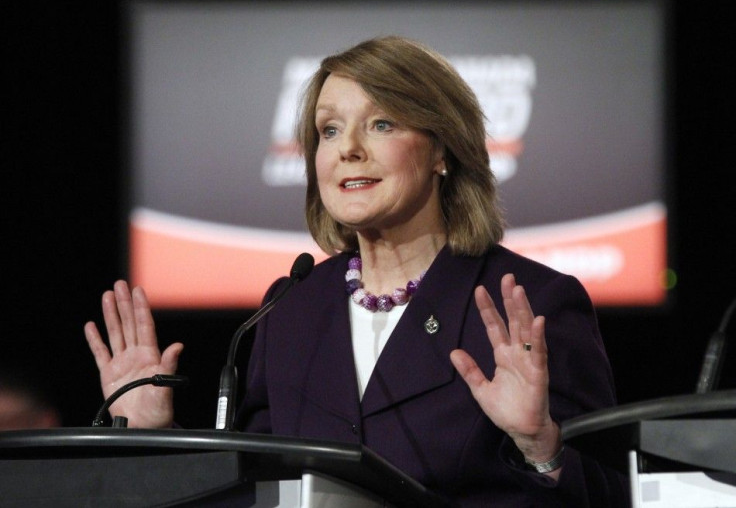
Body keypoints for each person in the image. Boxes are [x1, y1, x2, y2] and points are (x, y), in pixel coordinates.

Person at [85, 35, 630, 506]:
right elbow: (254, 490)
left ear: (442, 149)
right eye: (328, 130)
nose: (348, 149)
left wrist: (541, 448)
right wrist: (157, 436)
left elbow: (611, 494)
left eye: (381, 124)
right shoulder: (290, 310)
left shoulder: (533, 302)